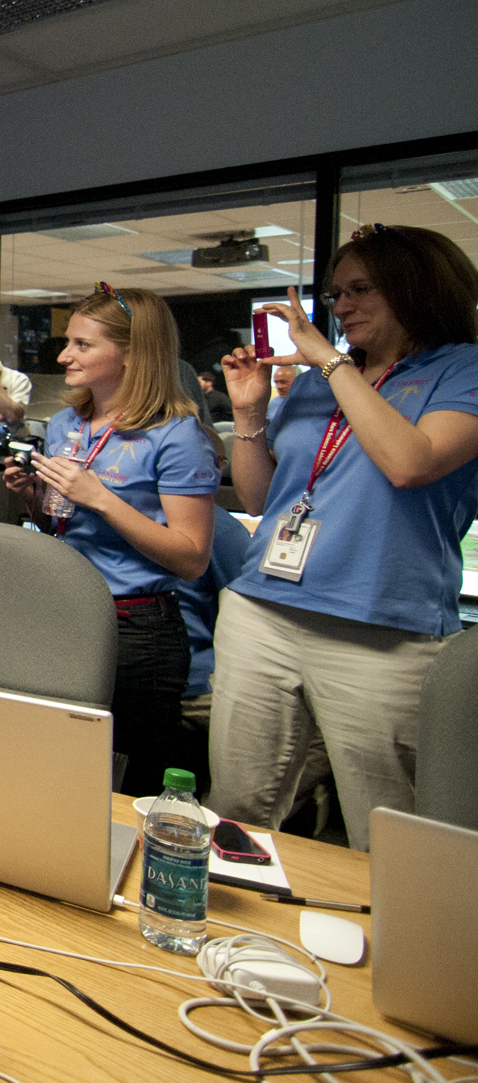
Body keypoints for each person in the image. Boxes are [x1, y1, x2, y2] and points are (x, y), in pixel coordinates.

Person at [211, 226, 478, 849]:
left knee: (387, 829)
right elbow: (262, 501)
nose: (342, 306)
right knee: (236, 810)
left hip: (380, 626)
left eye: (361, 290)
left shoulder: (462, 369)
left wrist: (329, 362)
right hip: (263, 610)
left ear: (417, 289)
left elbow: (410, 462)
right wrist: (249, 414)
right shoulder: (319, 380)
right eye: (337, 294)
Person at [3, 284, 218, 799]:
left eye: (82, 345)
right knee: (55, 773)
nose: (64, 356)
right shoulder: (66, 424)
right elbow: (62, 524)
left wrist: (100, 498)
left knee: (127, 785)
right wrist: (33, 497)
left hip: (136, 631)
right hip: (64, 614)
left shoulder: (177, 435)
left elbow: (191, 557)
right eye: (68, 343)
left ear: (132, 353)